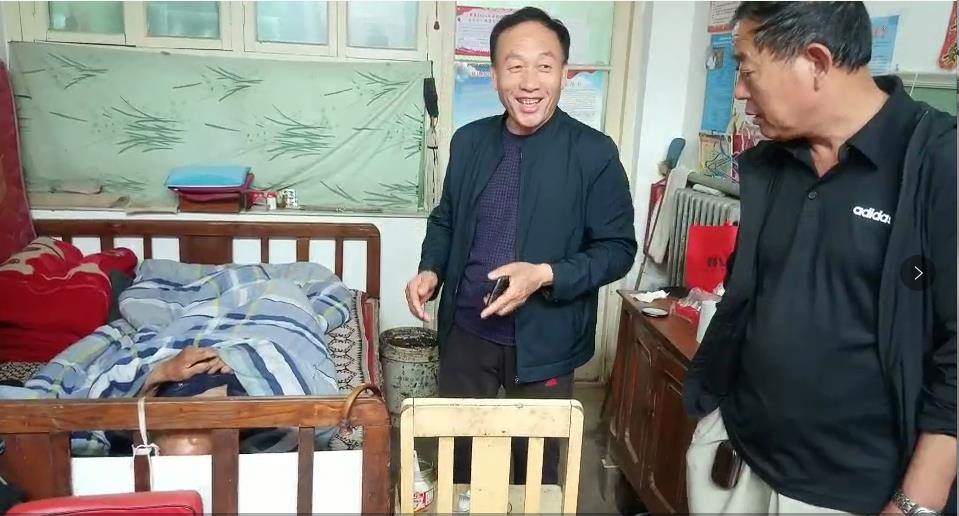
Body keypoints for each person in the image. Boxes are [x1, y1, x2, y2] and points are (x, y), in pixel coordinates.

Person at [683, 2, 957, 515]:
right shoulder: (774, 161)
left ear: (815, 61)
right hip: (739, 455)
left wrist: (913, 504)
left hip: (852, 494)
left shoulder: (939, 163)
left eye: (747, 69)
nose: (739, 91)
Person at [405, 5, 636, 497]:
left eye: (544, 66)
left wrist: (545, 274)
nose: (530, 82)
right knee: (459, 465)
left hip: (546, 342)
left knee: (533, 477)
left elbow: (617, 250)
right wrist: (431, 269)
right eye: (515, 66)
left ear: (564, 73)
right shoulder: (469, 142)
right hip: (466, 334)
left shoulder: (594, 153)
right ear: (494, 75)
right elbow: (446, 218)